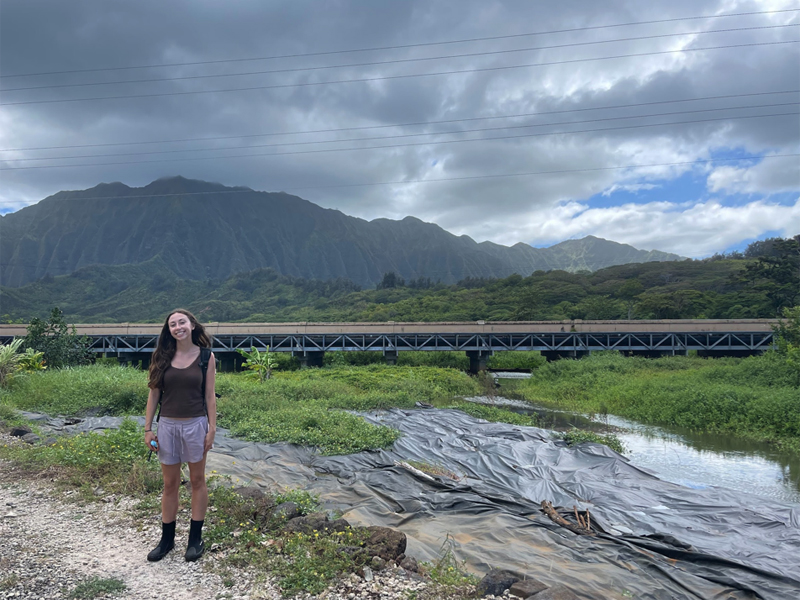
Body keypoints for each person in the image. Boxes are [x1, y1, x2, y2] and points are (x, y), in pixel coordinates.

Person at [144, 309, 217, 562]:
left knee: (197, 481)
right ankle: (167, 540)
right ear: (169, 330)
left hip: (196, 425)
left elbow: (209, 396)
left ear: (192, 325)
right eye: (173, 324)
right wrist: (148, 429)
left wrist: (211, 429)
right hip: (167, 426)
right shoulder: (161, 357)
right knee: (169, 484)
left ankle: (195, 539)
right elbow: (153, 394)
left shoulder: (206, 357)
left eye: (182, 322)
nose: (178, 327)